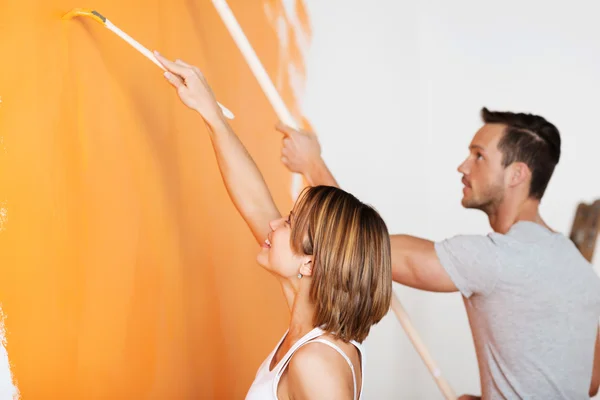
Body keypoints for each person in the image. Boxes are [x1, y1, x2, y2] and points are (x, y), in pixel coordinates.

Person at [275, 110, 600, 399]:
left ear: (517, 174)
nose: (463, 166)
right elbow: (588, 382)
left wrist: (311, 164)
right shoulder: (581, 270)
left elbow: (364, 248)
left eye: (478, 156)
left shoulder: (497, 258)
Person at [153, 51, 392, 400]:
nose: (274, 223)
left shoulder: (317, 363)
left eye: (290, 222)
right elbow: (253, 200)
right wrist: (211, 115)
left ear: (310, 263)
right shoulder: (313, 324)